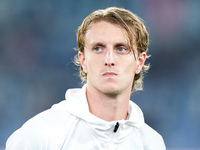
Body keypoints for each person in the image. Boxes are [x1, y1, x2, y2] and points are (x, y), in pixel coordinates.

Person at [6, 7, 166, 149]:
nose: (109, 59)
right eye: (98, 48)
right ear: (83, 61)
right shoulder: (39, 137)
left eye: (121, 49)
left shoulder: (152, 143)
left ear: (139, 62)